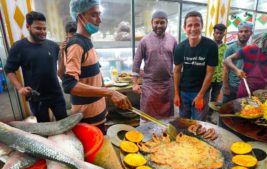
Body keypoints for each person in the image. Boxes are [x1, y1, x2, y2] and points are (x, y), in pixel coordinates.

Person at [64, 0, 132, 133]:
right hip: (87, 121)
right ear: (80, 17)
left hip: (98, 116)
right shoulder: (77, 45)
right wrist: (110, 92)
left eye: (99, 14)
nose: (99, 20)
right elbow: (69, 84)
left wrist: (108, 91)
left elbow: (94, 74)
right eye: (94, 15)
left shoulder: (87, 41)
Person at [4, 11, 67, 122]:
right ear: (28, 26)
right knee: (44, 127)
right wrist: (20, 88)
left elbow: (61, 68)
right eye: (38, 28)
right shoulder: (19, 47)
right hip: (36, 97)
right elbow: (9, 70)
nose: (42, 32)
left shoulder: (53, 46)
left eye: (44, 28)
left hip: (56, 94)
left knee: (64, 123)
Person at [224, 24, 267, 98]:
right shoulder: (251, 48)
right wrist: (236, 70)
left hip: (260, 94)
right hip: (246, 91)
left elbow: (266, 78)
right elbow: (227, 60)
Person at [132, 10, 177, 119]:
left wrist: (177, 86)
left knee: (167, 121)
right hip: (150, 87)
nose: (159, 25)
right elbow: (136, 63)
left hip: (167, 86)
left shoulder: (173, 40)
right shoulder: (144, 41)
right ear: (151, 23)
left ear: (167, 23)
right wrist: (135, 83)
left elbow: (178, 64)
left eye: (162, 23)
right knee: (147, 119)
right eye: (156, 22)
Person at [174, 11, 218, 120]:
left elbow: (210, 73)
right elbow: (177, 71)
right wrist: (176, 94)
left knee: (199, 124)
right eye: (189, 25)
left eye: (197, 25)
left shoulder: (211, 46)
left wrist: (201, 95)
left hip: (201, 91)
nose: (193, 29)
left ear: (202, 27)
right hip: (183, 91)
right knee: (183, 122)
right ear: (185, 28)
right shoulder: (180, 47)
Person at [222, 22, 253, 103]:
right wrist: (225, 87)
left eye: (246, 31)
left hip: (245, 86)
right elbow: (225, 69)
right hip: (232, 86)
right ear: (237, 33)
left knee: (242, 110)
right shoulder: (231, 48)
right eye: (241, 31)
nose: (243, 34)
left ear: (251, 33)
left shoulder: (252, 49)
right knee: (225, 110)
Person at [210, 23, 227, 104]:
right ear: (213, 34)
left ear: (224, 34)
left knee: (215, 96)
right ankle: (202, 113)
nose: (218, 35)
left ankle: (210, 113)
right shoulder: (208, 45)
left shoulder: (226, 48)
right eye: (217, 33)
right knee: (204, 95)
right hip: (208, 76)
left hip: (219, 78)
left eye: (221, 33)